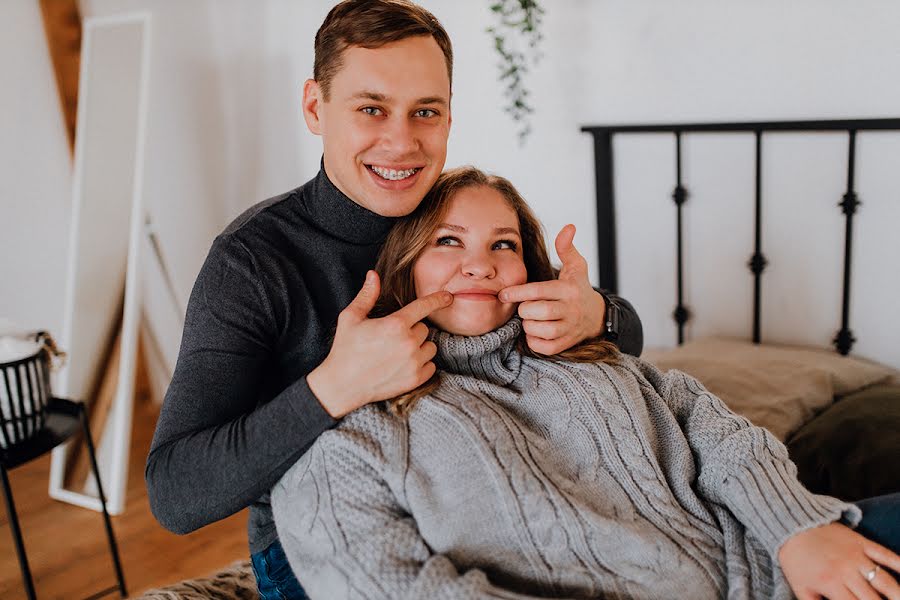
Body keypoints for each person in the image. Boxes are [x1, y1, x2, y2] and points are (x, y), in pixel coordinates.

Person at [145, 2, 643, 598]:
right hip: (321, 538)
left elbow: (625, 336)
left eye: (425, 112)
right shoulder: (251, 264)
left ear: (450, 117)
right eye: (371, 109)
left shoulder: (458, 215)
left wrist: (595, 314)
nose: (402, 142)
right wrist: (334, 388)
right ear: (314, 106)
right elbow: (174, 494)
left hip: (481, 499)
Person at [271, 166, 900, 600]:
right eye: (448, 240)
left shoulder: (595, 361)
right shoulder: (354, 437)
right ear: (401, 264)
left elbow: (725, 437)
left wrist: (799, 530)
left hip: (770, 563)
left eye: (503, 243)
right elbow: (395, 586)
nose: (479, 264)